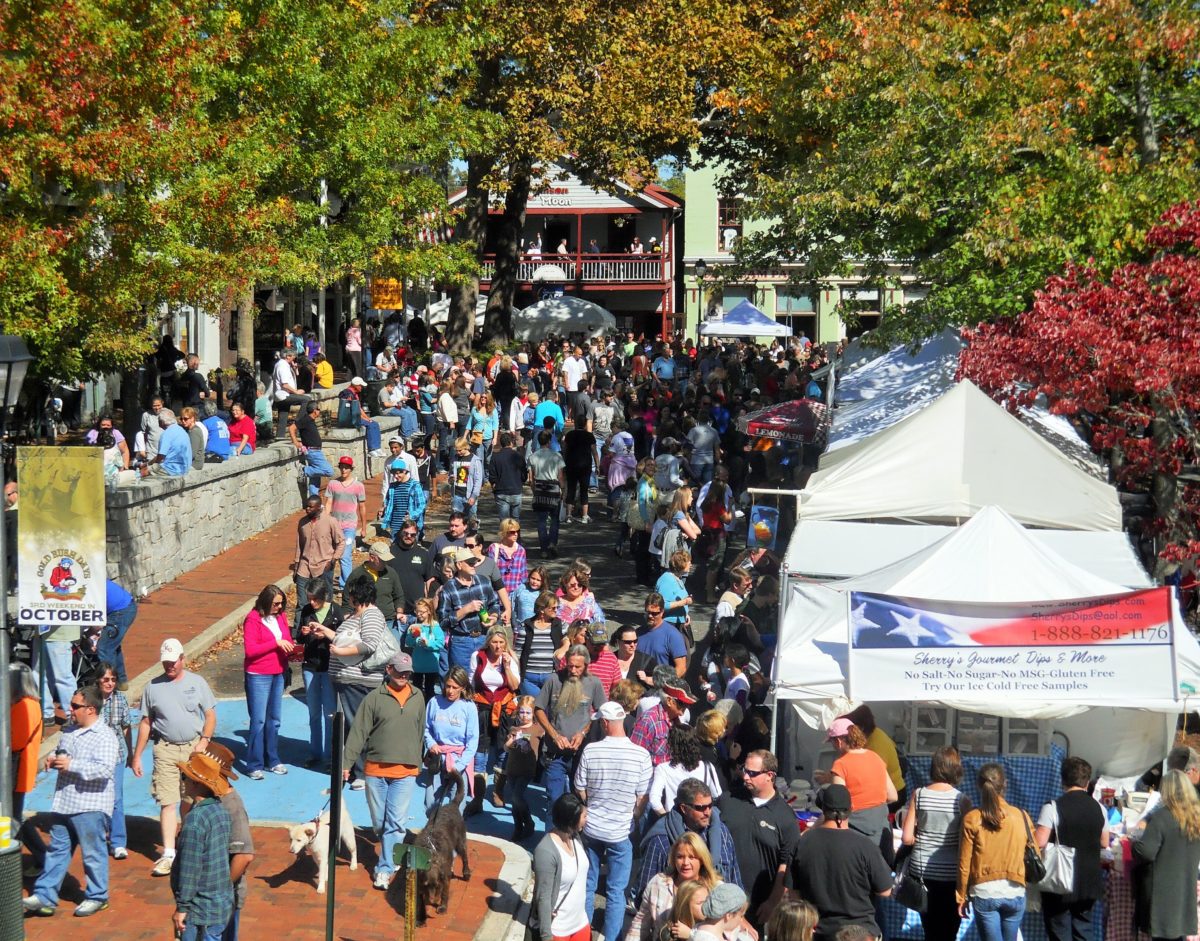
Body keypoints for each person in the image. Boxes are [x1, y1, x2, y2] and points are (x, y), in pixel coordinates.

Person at [22, 684, 120, 918]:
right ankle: (44, 896)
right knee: (57, 851)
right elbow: (62, 754)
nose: (70, 709)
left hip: (90, 806)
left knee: (92, 853)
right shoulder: (69, 731)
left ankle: (97, 896)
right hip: (65, 802)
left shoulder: (105, 736)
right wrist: (53, 759)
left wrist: (71, 765)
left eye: (75, 706)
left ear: (91, 709)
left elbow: (105, 770)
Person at [132, 639, 218, 878]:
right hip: (165, 750)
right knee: (168, 801)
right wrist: (137, 755)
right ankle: (169, 853)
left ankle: (189, 844)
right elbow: (146, 723)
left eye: (173, 662)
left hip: (194, 749)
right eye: (166, 662)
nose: (169, 666)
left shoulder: (197, 682)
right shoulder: (152, 687)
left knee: (191, 800)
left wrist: (204, 741)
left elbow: (210, 715)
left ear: (183, 659)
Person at [342, 652, 426, 890]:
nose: (404, 676)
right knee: (380, 823)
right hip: (376, 770)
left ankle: (384, 868)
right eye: (400, 671)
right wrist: (347, 763)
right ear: (389, 670)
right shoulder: (373, 698)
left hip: (406, 771)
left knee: (396, 823)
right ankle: (392, 851)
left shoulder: (418, 696)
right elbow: (358, 732)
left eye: (408, 672)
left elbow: (420, 730)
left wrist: (418, 761)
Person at [574, 700, 652, 941]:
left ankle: (584, 933)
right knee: (616, 890)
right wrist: (634, 817)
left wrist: (591, 803)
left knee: (588, 883)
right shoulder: (641, 754)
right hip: (620, 831)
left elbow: (580, 787)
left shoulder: (591, 750)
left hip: (593, 827)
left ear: (606, 723)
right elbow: (642, 797)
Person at [791, 784, 894, 941]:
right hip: (859, 933)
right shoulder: (864, 846)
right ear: (851, 808)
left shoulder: (803, 843)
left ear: (823, 810)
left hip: (818, 932)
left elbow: (794, 893)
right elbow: (885, 890)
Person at [318, 579, 390, 788]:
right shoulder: (358, 615)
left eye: (349, 594)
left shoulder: (372, 615)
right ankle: (351, 768)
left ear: (356, 595)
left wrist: (339, 652)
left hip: (359, 680)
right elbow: (345, 639)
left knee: (357, 725)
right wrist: (325, 632)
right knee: (348, 725)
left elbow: (368, 644)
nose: (347, 598)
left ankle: (361, 772)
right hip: (346, 680)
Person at [956, 763, 1038, 941]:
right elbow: (1035, 852)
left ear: (979, 785)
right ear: (1005, 784)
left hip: (984, 890)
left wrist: (961, 895)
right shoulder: (1021, 816)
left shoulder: (972, 818)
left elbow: (964, 863)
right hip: (1015, 889)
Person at [722, 750, 799, 930]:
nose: (745, 776)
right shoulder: (728, 800)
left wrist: (773, 901)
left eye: (752, 773)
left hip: (758, 906)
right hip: (723, 898)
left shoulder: (784, 816)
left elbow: (786, 863)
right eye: (744, 769)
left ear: (769, 776)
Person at [900, 746, 971, 941]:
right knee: (949, 930)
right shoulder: (962, 800)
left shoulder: (919, 794)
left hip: (922, 872)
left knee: (930, 929)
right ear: (956, 769)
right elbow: (968, 841)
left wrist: (920, 838)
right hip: (951, 874)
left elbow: (906, 838)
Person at [634, 775, 741, 903]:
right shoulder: (661, 841)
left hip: (721, 914)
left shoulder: (721, 831)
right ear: (684, 808)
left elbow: (734, 877)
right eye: (700, 808)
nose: (707, 812)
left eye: (710, 805)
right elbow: (645, 893)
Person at [1034, 756, 1108, 941]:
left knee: (1059, 931)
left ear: (1063, 780)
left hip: (1059, 879)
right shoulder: (1100, 808)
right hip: (1089, 880)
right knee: (1084, 930)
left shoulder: (1052, 807)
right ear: (1087, 782)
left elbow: (1040, 842)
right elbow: (1104, 842)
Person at [535, 646, 607, 817]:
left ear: (586, 666)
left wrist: (583, 733)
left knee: (580, 799)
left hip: (581, 753)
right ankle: (552, 839)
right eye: (570, 666)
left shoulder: (594, 683)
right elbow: (538, 708)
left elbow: (600, 711)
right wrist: (554, 735)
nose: (573, 670)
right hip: (555, 753)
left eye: (578, 667)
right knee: (554, 799)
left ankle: (576, 838)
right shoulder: (554, 680)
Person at [169, 753, 234, 941]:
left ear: (196, 783)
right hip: (220, 904)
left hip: (199, 912)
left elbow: (190, 869)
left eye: (185, 777)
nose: (182, 782)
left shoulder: (195, 821)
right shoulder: (220, 811)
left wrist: (182, 908)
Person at [816, 718, 897, 863]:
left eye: (832, 742)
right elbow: (892, 796)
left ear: (839, 742)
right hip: (881, 832)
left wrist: (814, 829)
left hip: (856, 834)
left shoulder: (840, 764)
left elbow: (837, 807)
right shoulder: (875, 757)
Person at [627, 831, 721, 941]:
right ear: (673, 858)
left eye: (692, 857)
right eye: (680, 857)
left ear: (702, 860)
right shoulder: (658, 883)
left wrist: (692, 935)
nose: (685, 862)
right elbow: (640, 924)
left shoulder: (715, 889)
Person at [467, 628, 521, 815]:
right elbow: (471, 681)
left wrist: (506, 666)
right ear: (488, 641)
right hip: (482, 707)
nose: (498, 646)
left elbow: (515, 686)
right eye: (494, 642)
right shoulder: (478, 656)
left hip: (503, 709)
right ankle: (478, 795)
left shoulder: (511, 659)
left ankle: (498, 791)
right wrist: (469, 702)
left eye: (501, 642)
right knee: (481, 748)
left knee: (502, 749)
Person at [242, 584, 291, 780]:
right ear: (266, 602)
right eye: (276, 603)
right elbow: (251, 651)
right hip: (258, 675)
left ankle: (273, 759)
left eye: (281, 603)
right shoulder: (253, 619)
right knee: (259, 720)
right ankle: (254, 763)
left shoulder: (281, 617)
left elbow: (286, 638)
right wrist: (275, 643)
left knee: (274, 720)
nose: (279, 607)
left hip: (278, 672)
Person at [532, 793, 591, 941]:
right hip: (558, 930)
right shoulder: (546, 851)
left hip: (581, 923)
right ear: (572, 820)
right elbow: (543, 897)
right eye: (584, 816)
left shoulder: (575, 837)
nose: (587, 820)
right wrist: (546, 936)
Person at [295, 581, 341, 769]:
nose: (312, 603)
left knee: (329, 713)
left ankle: (330, 756)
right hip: (311, 666)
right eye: (310, 599)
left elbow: (342, 636)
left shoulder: (336, 611)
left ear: (324, 596)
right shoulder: (306, 611)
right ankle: (315, 753)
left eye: (315, 599)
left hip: (329, 666)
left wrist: (326, 635)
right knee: (314, 712)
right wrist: (304, 632)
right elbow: (298, 636)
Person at [423, 665, 479, 811]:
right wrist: (431, 743)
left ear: (463, 687)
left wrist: (459, 766)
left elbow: (472, 741)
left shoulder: (469, 707)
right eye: (448, 686)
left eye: (455, 687)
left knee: (457, 807)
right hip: (437, 757)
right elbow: (426, 728)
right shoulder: (434, 702)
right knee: (431, 805)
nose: (450, 691)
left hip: (458, 760)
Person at [439, 547, 500, 671]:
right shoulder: (448, 588)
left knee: (484, 678)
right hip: (461, 642)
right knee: (462, 680)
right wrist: (465, 609)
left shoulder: (483, 581)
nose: (474, 565)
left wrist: (493, 617)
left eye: (475, 562)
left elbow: (495, 604)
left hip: (484, 638)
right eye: (470, 562)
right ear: (459, 565)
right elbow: (443, 622)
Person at [96, 663, 132, 859]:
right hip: (97, 756)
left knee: (116, 798)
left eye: (112, 679)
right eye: (106, 679)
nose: (110, 683)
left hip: (117, 754)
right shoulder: (91, 700)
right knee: (98, 797)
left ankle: (118, 841)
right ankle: (100, 837)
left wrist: (131, 754)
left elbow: (126, 728)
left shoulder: (120, 700)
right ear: (98, 680)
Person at [843, 704, 907, 810]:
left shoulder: (876, 745)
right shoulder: (872, 734)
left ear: (860, 727)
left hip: (892, 794)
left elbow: (871, 779)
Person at [648, 725, 723, 815]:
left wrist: (665, 818)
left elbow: (654, 800)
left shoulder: (663, 769)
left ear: (672, 745)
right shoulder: (707, 767)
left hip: (675, 820)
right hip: (700, 819)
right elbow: (717, 795)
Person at [292, 495, 344, 618]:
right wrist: (296, 567)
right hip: (304, 568)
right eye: (306, 506)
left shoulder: (331, 521)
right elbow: (299, 546)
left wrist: (333, 559)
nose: (307, 509)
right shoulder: (302, 523)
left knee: (325, 602)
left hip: (323, 567)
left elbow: (341, 542)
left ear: (318, 507)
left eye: (311, 507)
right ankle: (297, 633)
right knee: (302, 603)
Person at [503, 695, 543, 842]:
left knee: (517, 796)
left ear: (533, 714)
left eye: (528, 713)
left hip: (527, 769)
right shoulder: (514, 728)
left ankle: (529, 822)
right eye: (522, 712)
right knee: (514, 801)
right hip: (512, 768)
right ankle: (518, 827)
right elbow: (506, 749)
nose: (524, 716)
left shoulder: (538, 729)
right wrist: (511, 741)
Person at [630, 679, 695, 766]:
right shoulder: (648, 721)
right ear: (669, 701)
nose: (686, 707)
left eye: (688, 704)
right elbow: (635, 757)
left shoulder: (677, 721)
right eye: (682, 703)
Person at [327, 456, 367, 591]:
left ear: (351, 469)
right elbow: (328, 503)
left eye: (346, 467)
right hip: (334, 525)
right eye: (342, 467)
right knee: (331, 554)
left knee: (345, 556)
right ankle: (328, 583)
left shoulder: (358, 486)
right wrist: (325, 521)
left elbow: (362, 507)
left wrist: (364, 527)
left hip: (349, 526)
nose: (343, 470)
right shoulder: (333, 484)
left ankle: (347, 586)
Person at [10, 663, 42, 820]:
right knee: (12, 817)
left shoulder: (26, 705)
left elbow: (16, 742)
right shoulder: (20, 703)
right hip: (14, 771)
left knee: (12, 818)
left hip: (16, 770)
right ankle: (39, 846)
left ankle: (38, 846)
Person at [529, 429, 566, 559]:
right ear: (549, 441)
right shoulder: (557, 456)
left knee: (541, 521)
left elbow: (531, 478)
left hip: (540, 489)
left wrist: (534, 491)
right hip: (553, 489)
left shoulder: (533, 457)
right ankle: (552, 543)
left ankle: (543, 549)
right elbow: (561, 477)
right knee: (555, 520)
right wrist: (563, 490)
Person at [520, 591, 564, 696]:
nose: (556, 610)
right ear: (542, 609)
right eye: (553, 608)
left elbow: (569, 638)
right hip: (529, 676)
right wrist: (519, 675)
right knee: (533, 708)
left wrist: (565, 645)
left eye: (557, 607)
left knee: (549, 709)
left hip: (551, 675)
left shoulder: (559, 624)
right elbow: (518, 652)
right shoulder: (526, 626)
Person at [289, 401, 334, 499]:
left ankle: (314, 501)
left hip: (315, 451)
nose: (319, 411)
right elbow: (292, 428)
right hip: (313, 452)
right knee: (329, 471)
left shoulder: (311, 420)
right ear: (314, 411)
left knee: (315, 480)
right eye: (318, 409)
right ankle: (304, 470)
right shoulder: (306, 419)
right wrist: (296, 442)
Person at [98, 578, 138, 689]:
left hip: (121, 611)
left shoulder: (90, 585)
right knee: (112, 646)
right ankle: (121, 681)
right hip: (125, 606)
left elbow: (95, 619)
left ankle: (110, 686)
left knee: (104, 648)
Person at [636, 592, 688, 677]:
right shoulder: (638, 632)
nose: (650, 616)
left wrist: (662, 682)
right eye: (648, 612)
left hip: (660, 686)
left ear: (662, 612)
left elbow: (681, 668)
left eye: (654, 613)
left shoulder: (673, 635)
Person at [405, 597, 445, 701]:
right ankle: (417, 709)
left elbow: (441, 643)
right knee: (416, 689)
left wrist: (428, 644)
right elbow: (408, 643)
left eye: (422, 612)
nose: (419, 614)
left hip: (431, 665)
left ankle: (429, 709)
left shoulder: (435, 626)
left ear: (429, 611)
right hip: (417, 665)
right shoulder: (414, 626)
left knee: (429, 689)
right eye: (417, 611)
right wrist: (413, 636)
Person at [271, 348, 311, 438]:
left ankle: (279, 437)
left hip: (281, 395)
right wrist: (296, 392)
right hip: (284, 395)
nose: (294, 359)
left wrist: (294, 369)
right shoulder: (283, 366)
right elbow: (285, 384)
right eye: (293, 357)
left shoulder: (283, 365)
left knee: (283, 417)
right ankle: (297, 422)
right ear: (288, 356)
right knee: (307, 399)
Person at [656, 551, 693, 641]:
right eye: (689, 562)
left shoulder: (677, 577)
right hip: (669, 625)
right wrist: (684, 602)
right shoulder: (667, 580)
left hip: (678, 622)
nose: (691, 564)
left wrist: (685, 614)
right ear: (681, 564)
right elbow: (662, 605)